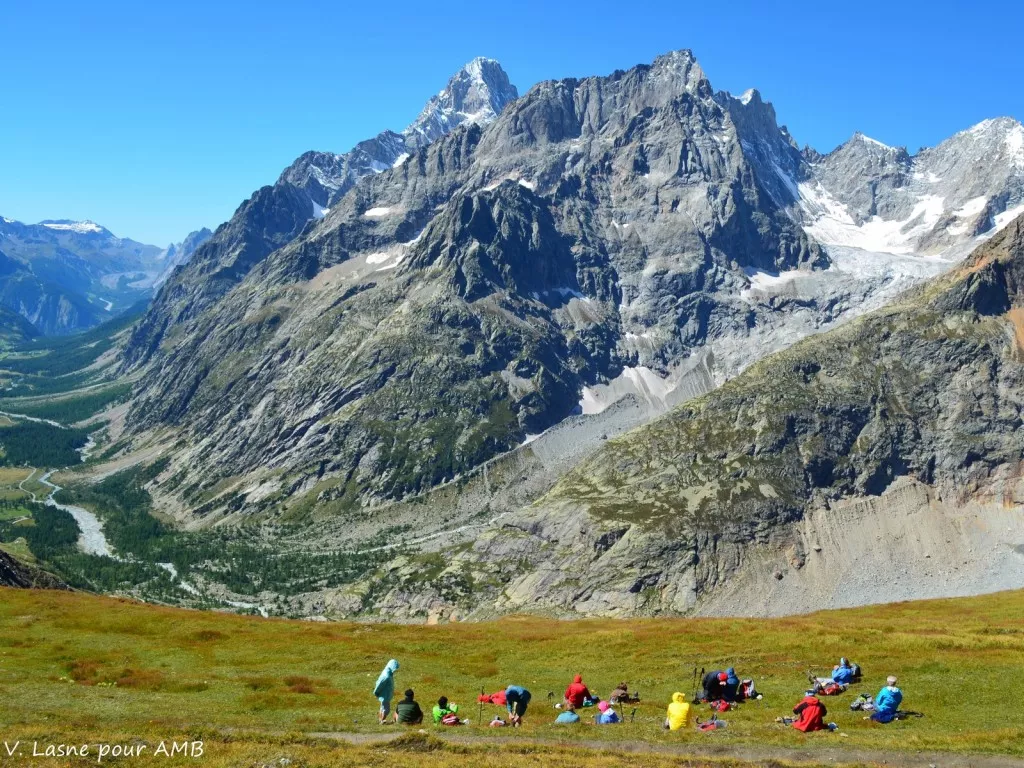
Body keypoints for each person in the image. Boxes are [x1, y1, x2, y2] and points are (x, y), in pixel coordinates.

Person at [372, 659, 399, 724]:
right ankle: (382, 720)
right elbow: (380, 684)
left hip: (386, 694)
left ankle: (380, 719)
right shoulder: (386, 675)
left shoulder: (388, 673)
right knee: (386, 709)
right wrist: (376, 692)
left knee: (382, 708)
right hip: (385, 695)